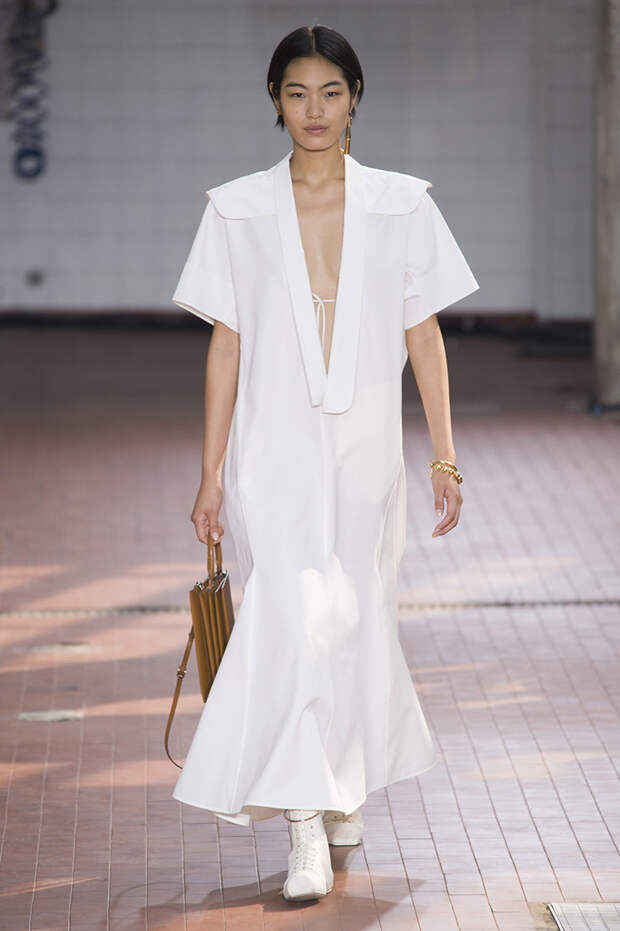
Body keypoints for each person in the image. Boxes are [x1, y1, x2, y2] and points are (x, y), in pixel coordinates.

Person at [170, 24, 479, 903]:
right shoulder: (235, 209)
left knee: (352, 615)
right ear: (275, 100)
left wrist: (446, 455)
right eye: (298, 92)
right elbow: (226, 345)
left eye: (331, 92)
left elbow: (424, 332)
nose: (315, 109)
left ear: (355, 98)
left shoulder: (402, 204)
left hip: (366, 451)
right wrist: (210, 471)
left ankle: (342, 781)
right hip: (271, 450)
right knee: (292, 615)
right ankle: (305, 818)